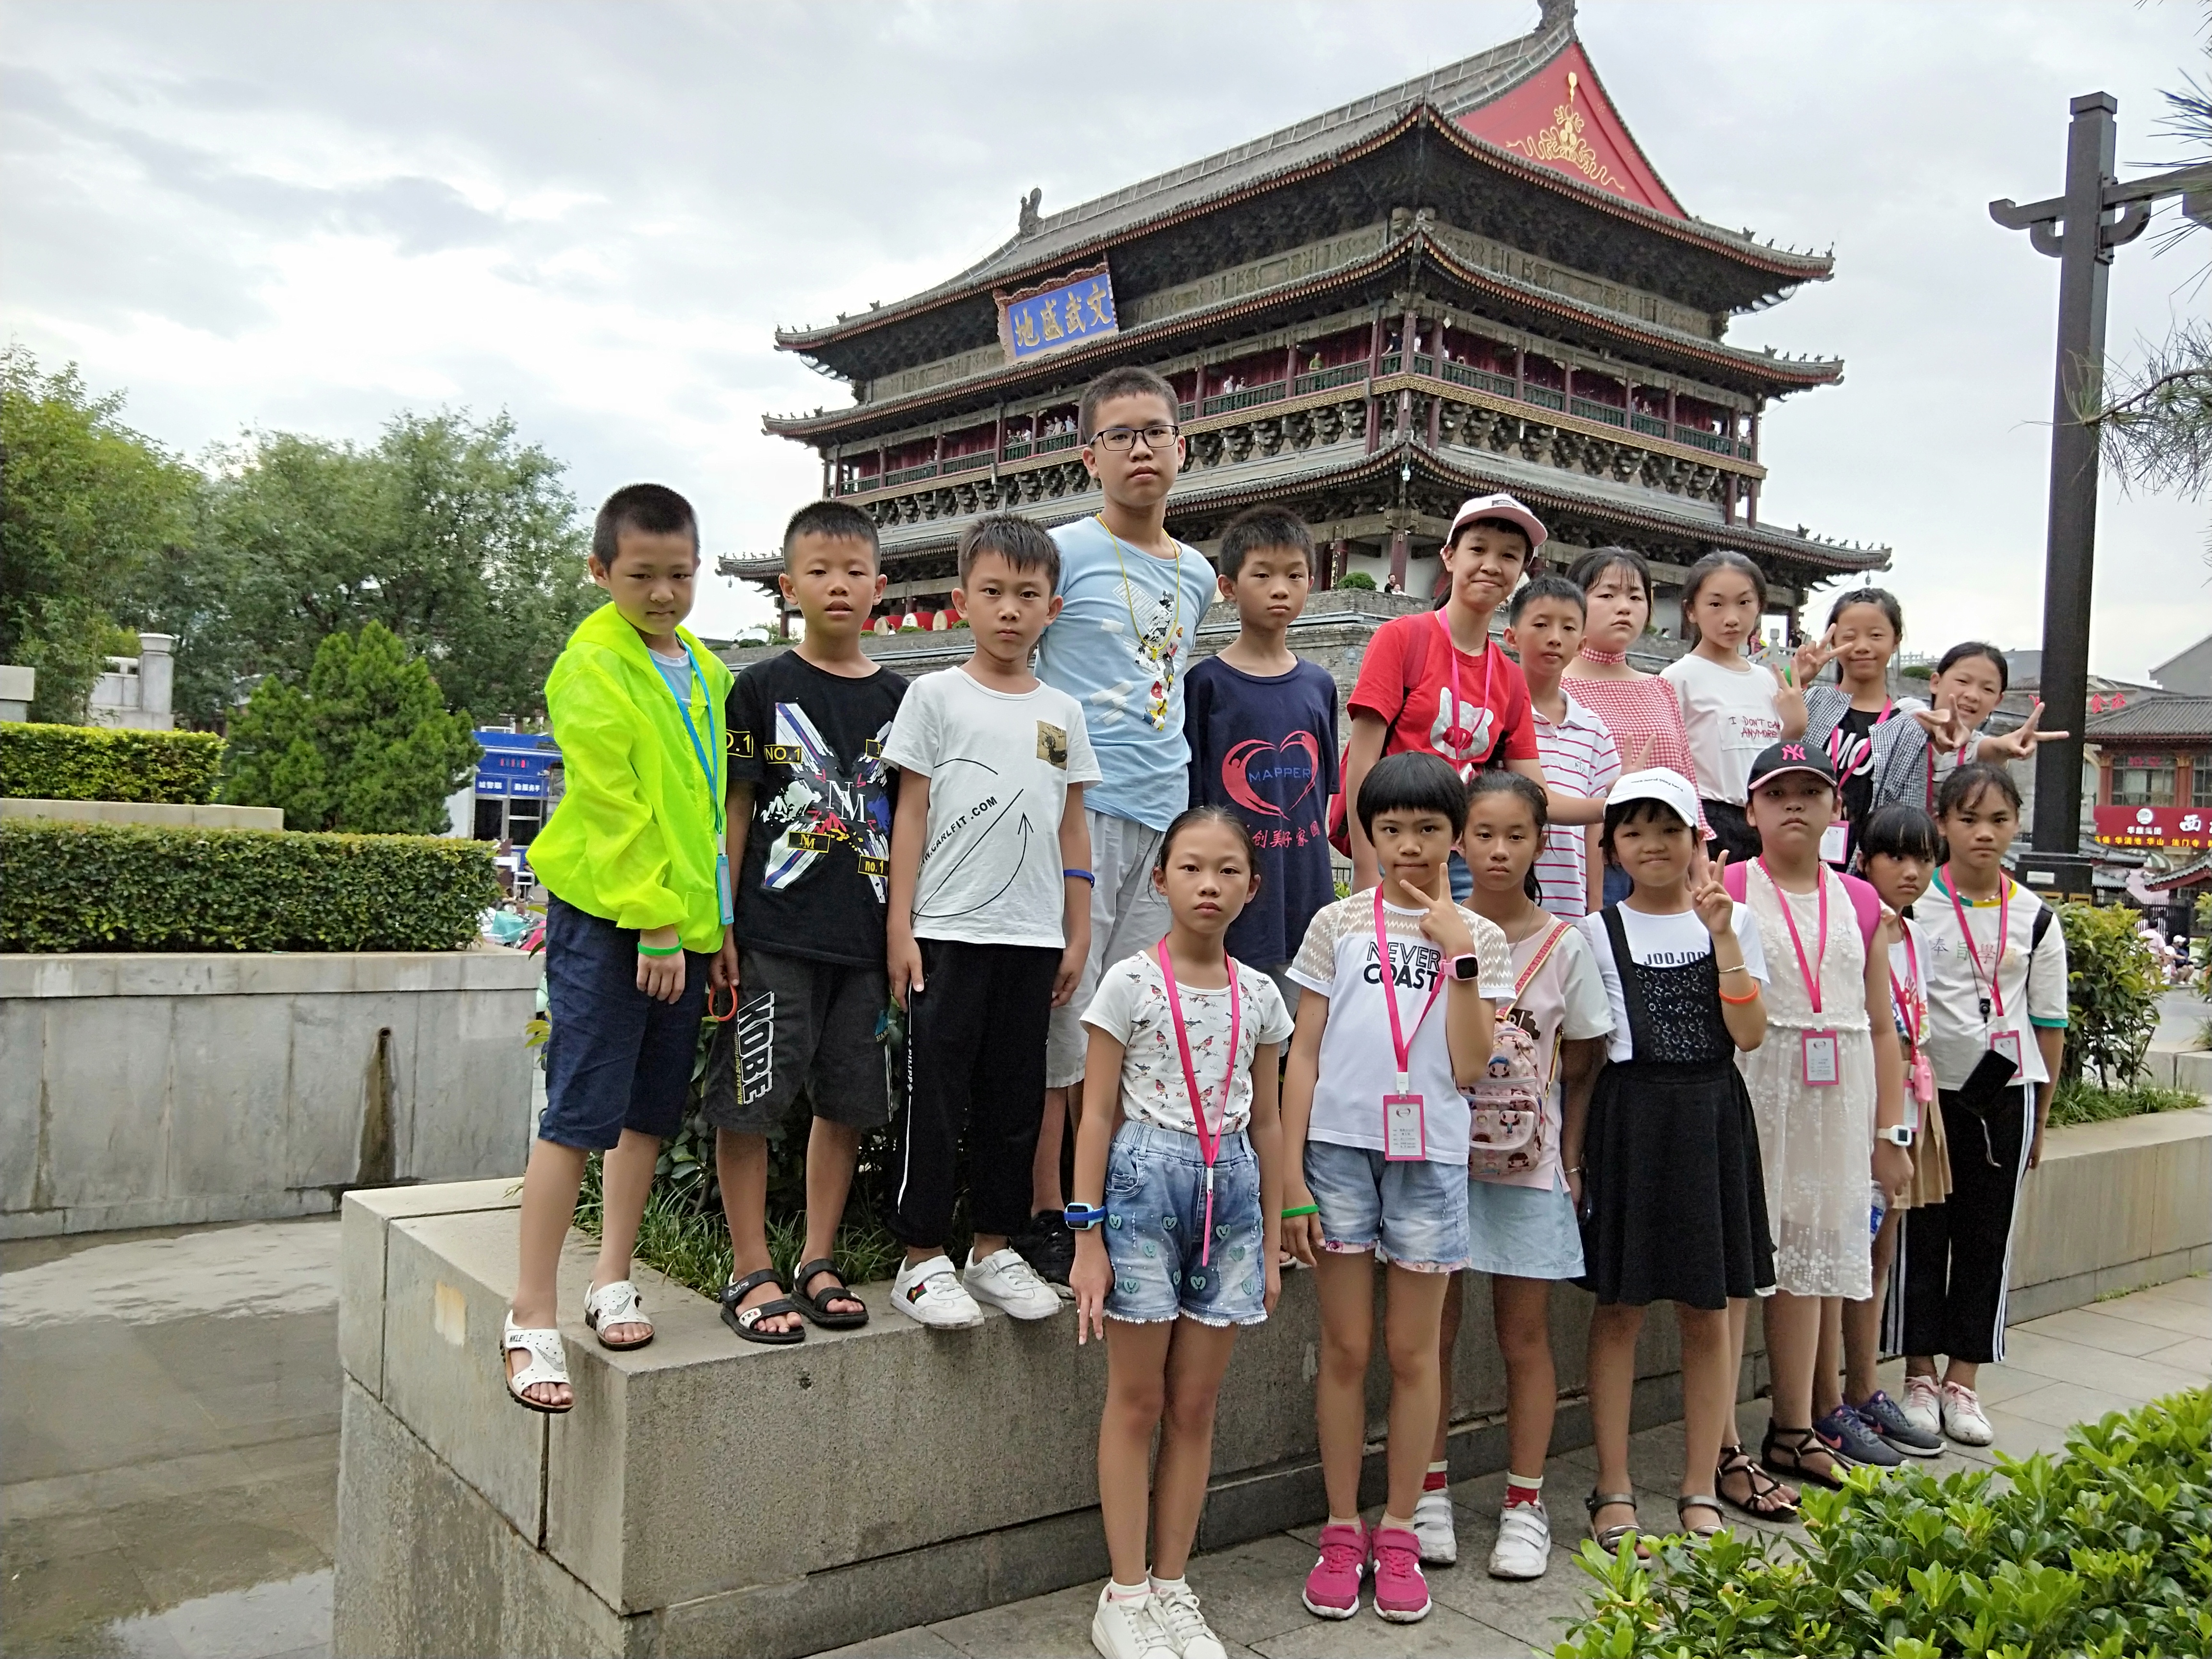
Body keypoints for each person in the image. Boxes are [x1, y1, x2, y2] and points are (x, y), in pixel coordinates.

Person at [500, 484, 733, 1412]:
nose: (662, 594)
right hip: (617, 921)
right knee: (579, 1112)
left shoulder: (706, 670)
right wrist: (655, 921)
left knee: (646, 1114)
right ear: (600, 571)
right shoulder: (590, 665)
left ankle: (612, 1278)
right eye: (641, 576)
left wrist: (712, 927)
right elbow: (612, 804)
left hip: (683, 925)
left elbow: (707, 808)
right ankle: (530, 1314)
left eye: (679, 574)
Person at [1280, 753, 1513, 1624]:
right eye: (1390, 830)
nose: (1409, 845)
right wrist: (1290, 1178)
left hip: (1430, 1159)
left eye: (1427, 828)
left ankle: (1402, 1528)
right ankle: (1342, 1529)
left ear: (1455, 835)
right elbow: (1303, 1053)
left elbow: (1469, 1065)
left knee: (1415, 1355)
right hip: (1338, 1154)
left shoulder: (1478, 936)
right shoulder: (1337, 923)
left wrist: (1459, 957)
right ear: (1366, 836)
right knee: (1345, 1350)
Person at [1069, 807, 1295, 1659]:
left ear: (1252, 886)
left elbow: (1268, 1123)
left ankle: (1171, 1585)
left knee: (1196, 1403)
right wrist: (1086, 1236)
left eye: (1228, 870)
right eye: (1192, 868)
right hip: (1141, 1186)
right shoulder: (1128, 983)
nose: (1209, 885)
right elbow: (1094, 1115)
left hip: (1230, 1192)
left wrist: (1270, 1239)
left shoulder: (1261, 995)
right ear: (1160, 880)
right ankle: (1124, 1594)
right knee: (1137, 1400)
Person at [882, 515, 1100, 1328]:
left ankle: (992, 1248)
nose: (1010, 610)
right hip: (946, 931)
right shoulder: (934, 696)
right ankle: (919, 1258)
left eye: (1028, 595)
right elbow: (910, 814)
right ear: (961, 600)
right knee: (936, 1100)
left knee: (1015, 1102)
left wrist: (1077, 928)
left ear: (1052, 608)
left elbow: (1071, 825)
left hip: (1033, 937)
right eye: (994, 592)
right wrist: (900, 927)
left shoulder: (1062, 712)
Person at [1035, 366, 1221, 1296]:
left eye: (1156, 431)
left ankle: (1122, 1201)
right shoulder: (1061, 554)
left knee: (1138, 1018)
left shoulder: (1198, 574)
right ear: (1090, 456)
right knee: (1062, 1019)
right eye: (1121, 435)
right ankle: (1046, 1210)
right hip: (1083, 813)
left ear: (1182, 447)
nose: (1141, 449)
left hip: (1163, 818)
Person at [702, 502, 904, 1343]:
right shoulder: (759, 688)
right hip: (773, 935)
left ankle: (818, 1259)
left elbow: (912, 824)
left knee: (846, 1105)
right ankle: (751, 1267)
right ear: (788, 587)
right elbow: (735, 809)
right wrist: (723, 923)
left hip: (864, 945)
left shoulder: (901, 700)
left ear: (880, 588)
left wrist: (903, 934)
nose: (838, 586)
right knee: (749, 1102)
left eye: (855, 572)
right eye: (819, 572)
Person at [1565, 768, 1773, 1552]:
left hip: (1711, 1115)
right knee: (1618, 1307)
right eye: (1633, 830)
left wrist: (1723, 937)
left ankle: (1699, 1483)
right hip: (1630, 1119)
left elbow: (1749, 1034)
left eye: (1667, 829)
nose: (1651, 844)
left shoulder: (1733, 921)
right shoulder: (1594, 932)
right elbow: (1585, 1058)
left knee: (1707, 1308)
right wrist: (1574, 1157)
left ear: (1696, 839)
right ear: (1612, 846)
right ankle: (1612, 1483)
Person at [1421, 772, 1611, 1577]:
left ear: (1542, 842)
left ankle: (1525, 1504)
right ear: (1459, 840)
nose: (1498, 851)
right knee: (1429, 1333)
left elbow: (1585, 1058)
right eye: (1484, 834)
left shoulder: (1567, 945)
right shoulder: (1433, 931)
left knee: (1524, 1336)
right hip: (1435, 1162)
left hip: (1529, 1171)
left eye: (1516, 836)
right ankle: (1427, 1491)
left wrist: (1572, 1159)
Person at [1724, 744, 1913, 1497]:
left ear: (1838, 807)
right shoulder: (1730, 887)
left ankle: (1794, 1426)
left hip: (1836, 1101)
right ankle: (1723, 1440)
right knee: (1740, 1265)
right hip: (1755, 1087)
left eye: (1812, 792)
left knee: (1806, 1260)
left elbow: (1883, 1026)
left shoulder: (1862, 901)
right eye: (1778, 794)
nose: (1795, 805)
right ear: (1751, 811)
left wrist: (1890, 1134)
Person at [1894, 763, 2068, 1447]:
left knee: (1986, 1238)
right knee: (1921, 1235)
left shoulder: (2037, 918)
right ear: (1942, 823)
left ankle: (1963, 1380)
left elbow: (2048, 1024)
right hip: (1927, 1096)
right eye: (1968, 819)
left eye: (1999, 820)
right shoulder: (1913, 906)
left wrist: (2042, 1119)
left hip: (2006, 1097)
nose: (1984, 834)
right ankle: (1917, 1374)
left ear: (2017, 824)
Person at [1342, 493, 1598, 902]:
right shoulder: (1402, 639)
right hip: (1397, 849)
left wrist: (1614, 803)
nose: (1492, 566)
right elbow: (1363, 762)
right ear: (1449, 556)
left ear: (1521, 571)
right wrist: (1366, 867)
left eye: (1509, 556)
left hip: (1465, 861)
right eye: (1478, 550)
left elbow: (1537, 794)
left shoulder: (1510, 678)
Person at [1182, 506, 1338, 1008]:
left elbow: (1321, 793)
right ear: (1228, 587)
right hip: (1233, 898)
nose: (1280, 589)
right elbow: (1196, 804)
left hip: (1305, 891)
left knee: (1301, 1030)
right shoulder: (1205, 685)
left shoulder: (1319, 686)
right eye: (1263, 575)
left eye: (1294, 575)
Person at [1834, 804, 1949, 1457]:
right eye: (1896, 857)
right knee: (1849, 1250)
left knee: (1880, 1251)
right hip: (1864, 1105)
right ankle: (1835, 1397)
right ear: (1864, 860)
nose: (1911, 871)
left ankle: (1865, 1387)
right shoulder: (1854, 927)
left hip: (1910, 1101)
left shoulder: (1916, 938)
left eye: (1923, 858)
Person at [1560, 547, 1701, 904]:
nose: (1624, 607)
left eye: (1636, 597)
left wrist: (1699, 868)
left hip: (1665, 860)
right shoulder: (1557, 688)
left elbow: (1687, 783)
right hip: (1588, 864)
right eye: (1607, 595)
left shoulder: (1660, 688)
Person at [1660, 552, 1811, 863]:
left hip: (1766, 822)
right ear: (1691, 611)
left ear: (1759, 607)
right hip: (1708, 822)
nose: (1732, 618)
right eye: (1716, 604)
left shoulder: (1767, 681)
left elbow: (1771, 760)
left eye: (1744, 603)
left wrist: (1794, 730)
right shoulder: (1678, 679)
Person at [1503, 574, 1622, 917]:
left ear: (1582, 644)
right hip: (1500, 898)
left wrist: (1594, 908)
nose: (1555, 638)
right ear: (1512, 637)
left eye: (1568, 628)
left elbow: (1595, 831)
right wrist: (1621, 803)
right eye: (1541, 625)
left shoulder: (1594, 731)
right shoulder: (1497, 716)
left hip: (1569, 905)